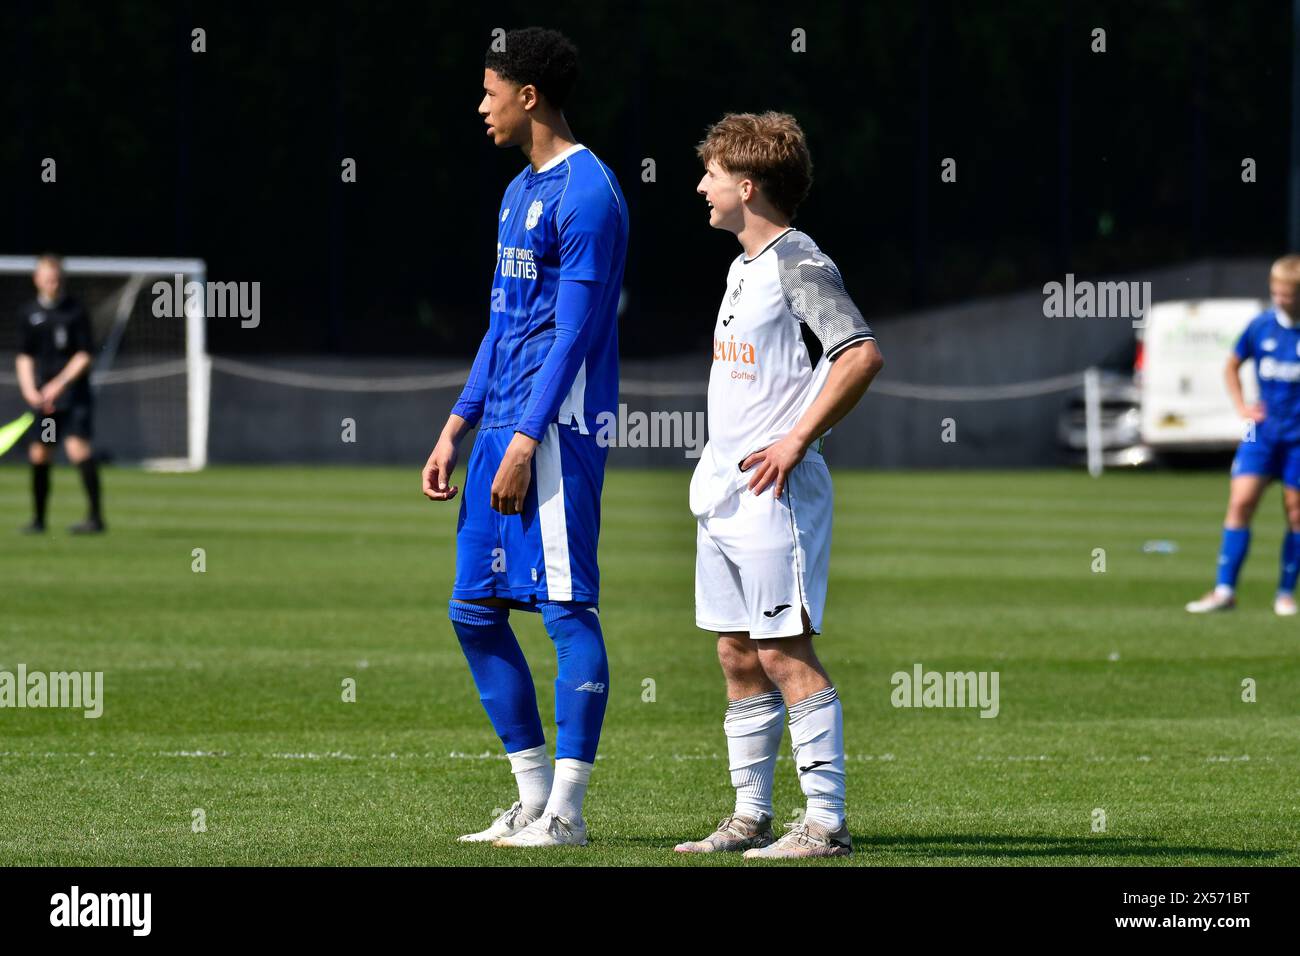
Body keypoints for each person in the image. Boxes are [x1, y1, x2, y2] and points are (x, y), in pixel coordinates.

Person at [421, 27, 628, 848]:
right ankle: (532, 800)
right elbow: (504, 325)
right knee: (474, 611)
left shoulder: (589, 193)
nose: (481, 104)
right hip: (502, 425)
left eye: (489, 89)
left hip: (555, 430)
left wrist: (523, 439)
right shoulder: (517, 192)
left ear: (528, 96)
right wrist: (457, 427)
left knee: (566, 609)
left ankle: (569, 815)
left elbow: (573, 333)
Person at [675, 112, 884, 859]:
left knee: (783, 651)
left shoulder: (800, 261)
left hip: (776, 492)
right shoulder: (742, 265)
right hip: (724, 492)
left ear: (748, 184)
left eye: (712, 174)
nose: (702, 185)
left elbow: (859, 354)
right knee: (736, 652)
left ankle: (825, 823)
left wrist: (796, 439)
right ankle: (749, 816)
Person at [1187, 255, 1300, 615]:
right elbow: (1231, 365)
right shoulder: (1260, 326)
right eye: (1275, 293)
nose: (1280, 300)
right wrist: (1241, 406)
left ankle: (1284, 593)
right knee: (1239, 502)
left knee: (1296, 513)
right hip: (1260, 431)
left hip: (1298, 436)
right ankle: (1224, 591)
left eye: (1287, 295)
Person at [15, 253, 105, 535]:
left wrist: (60, 383)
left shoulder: (75, 312)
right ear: (37, 280)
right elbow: (24, 356)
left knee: (77, 448)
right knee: (42, 452)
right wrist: (30, 389)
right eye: (47, 278)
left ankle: (95, 518)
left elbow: (84, 354)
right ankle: (39, 520)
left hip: (73, 396)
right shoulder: (29, 314)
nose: (52, 283)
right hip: (48, 404)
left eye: (56, 278)